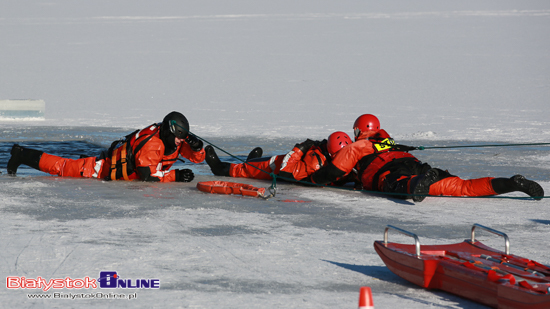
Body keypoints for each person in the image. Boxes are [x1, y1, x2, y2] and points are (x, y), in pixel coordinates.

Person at [307, 114, 545, 202]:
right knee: (463, 187)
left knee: (397, 185)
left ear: (358, 131)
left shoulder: (357, 147)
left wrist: (311, 180)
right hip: (414, 163)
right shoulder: (388, 140)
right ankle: (510, 183)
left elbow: (333, 172)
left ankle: (415, 187)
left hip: (390, 171)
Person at [6, 111, 205, 183]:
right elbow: (147, 176)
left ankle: (21, 154)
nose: (182, 141)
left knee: (68, 164)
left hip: (114, 162)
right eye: (180, 137)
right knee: (63, 167)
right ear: (170, 132)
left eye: (184, 138)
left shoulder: (171, 140)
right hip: (100, 170)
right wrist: (175, 176)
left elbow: (197, 158)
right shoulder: (152, 145)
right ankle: (21, 154)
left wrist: (197, 148)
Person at [204, 131, 353, 184]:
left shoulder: (314, 164)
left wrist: (300, 148)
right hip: (280, 162)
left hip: (275, 167)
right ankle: (250, 161)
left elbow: (286, 170)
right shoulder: (338, 162)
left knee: (243, 169)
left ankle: (219, 168)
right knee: (253, 163)